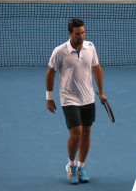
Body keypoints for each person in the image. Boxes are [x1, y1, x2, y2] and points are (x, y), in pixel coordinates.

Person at [45, 18, 106, 184]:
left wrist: (100, 92)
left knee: (86, 133)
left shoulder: (90, 47)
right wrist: (49, 98)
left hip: (88, 97)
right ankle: (71, 165)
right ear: (70, 34)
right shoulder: (60, 51)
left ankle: (81, 166)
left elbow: (96, 68)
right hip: (69, 98)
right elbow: (50, 73)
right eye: (78, 33)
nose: (81, 36)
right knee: (76, 133)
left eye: (83, 32)